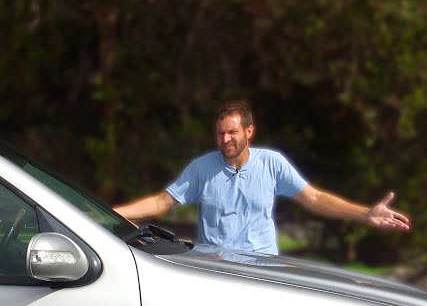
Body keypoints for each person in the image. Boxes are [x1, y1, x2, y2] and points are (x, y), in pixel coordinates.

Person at [113, 100, 410, 254]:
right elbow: (162, 201)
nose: (225, 139)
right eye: (220, 133)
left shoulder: (272, 163)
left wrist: (365, 213)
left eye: (232, 132)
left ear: (248, 132)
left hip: (263, 268)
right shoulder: (202, 167)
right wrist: (111, 213)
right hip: (215, 269)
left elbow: (315, 198)